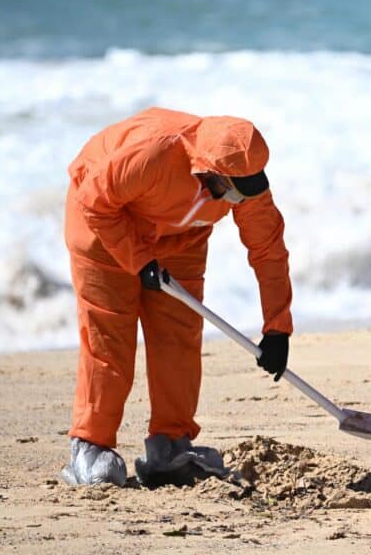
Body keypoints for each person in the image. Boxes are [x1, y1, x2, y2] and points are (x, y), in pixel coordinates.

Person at [61, 107, 292, 486]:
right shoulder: (153, 155)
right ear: (208, 170)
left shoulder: (245, 179)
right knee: (110, 335)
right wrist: (137, 260)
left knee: (179, 335)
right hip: (104, 226)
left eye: (244, 190)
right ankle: (91, 445)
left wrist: (278, 327)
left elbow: (268, 249)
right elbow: (94, 202)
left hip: (180, 237)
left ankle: (170, 443)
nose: (237, 200)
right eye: (230, 189)